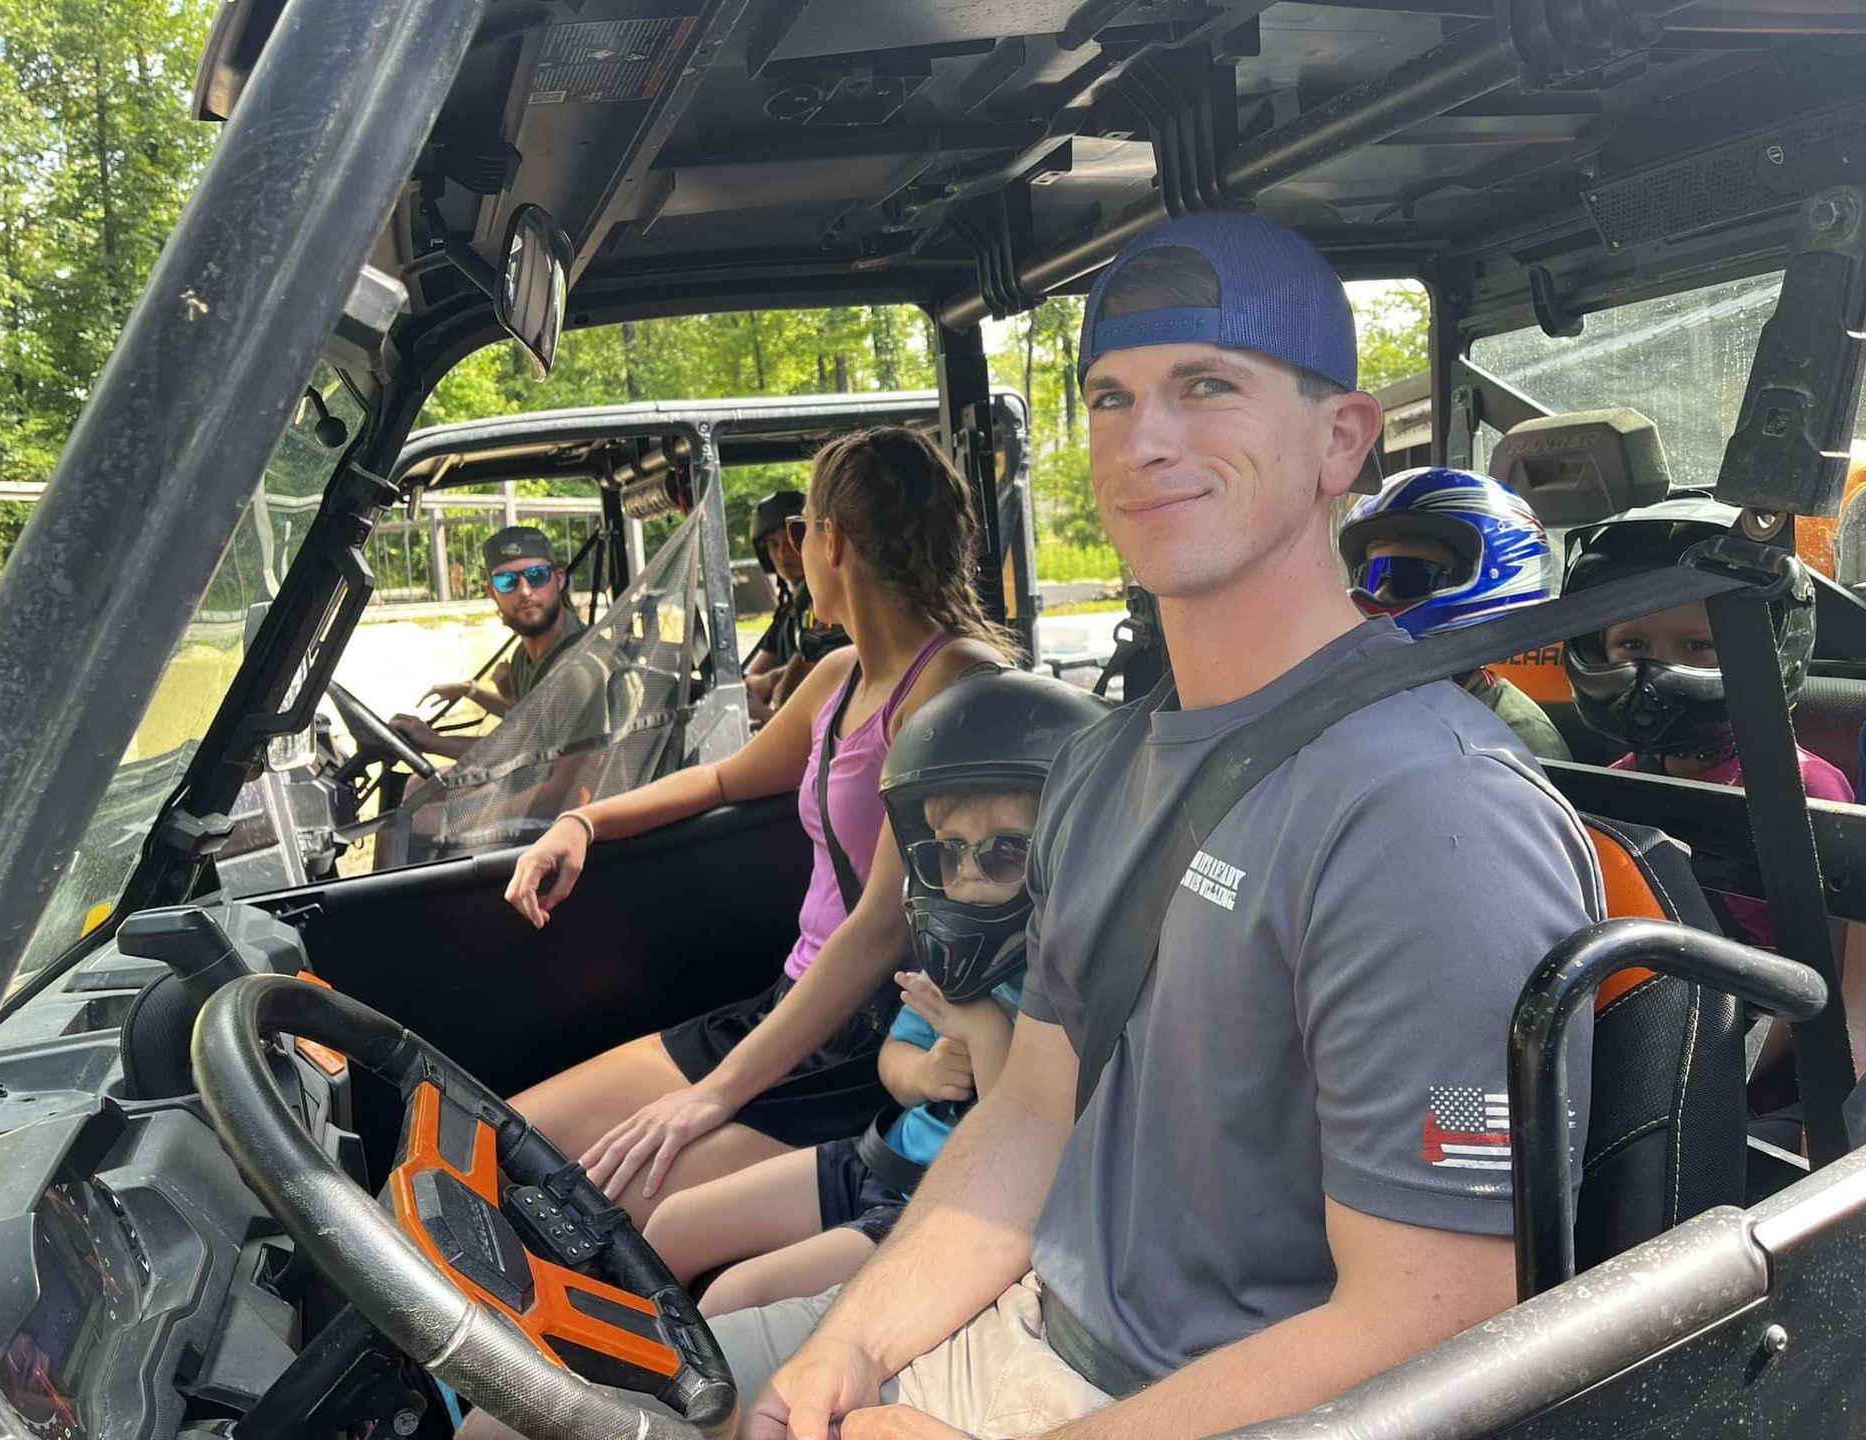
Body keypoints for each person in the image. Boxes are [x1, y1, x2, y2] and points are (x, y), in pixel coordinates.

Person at [708, 212, 1599, 1440]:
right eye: (1111, 399)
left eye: (1207, 386)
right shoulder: (1101, 765)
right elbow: (1034, 1110)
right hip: (1022, 1321)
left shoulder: (1430, 820)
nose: (1145, 439)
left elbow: (1434, 1322)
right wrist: (852, 1344)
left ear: (1342, 440)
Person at [501, 427, 1006, 1226]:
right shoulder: (839, 675)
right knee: (505, 1139)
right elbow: (724, 778)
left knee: (574, 1214)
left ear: (830, 543)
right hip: (789, 1003)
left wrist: (711, 1096)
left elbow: (881, 928)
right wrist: (581, 822)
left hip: (873, 1040)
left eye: (802, 531)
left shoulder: (954, 687)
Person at [641, 669, 1106, 1315]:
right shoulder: (952, 958)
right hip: (881, 1155)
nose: (968, 875)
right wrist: (923, 1075)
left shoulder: (1068, 984)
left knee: (737, 1293)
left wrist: (985, 1034)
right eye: (948, 852)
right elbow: (896, 1054)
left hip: (949, 1205)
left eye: (1003, 853)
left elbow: (1021, 1140)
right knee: (672, 1224)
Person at [1560, 492, 1848, 948]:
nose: (1655, 671)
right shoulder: (1619, 784)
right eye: (1633, 645)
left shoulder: (1807, 790)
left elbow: (1843, 956)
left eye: (1697, 646)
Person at [1339, 466, 1571, 761]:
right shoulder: (1362, 705)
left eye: (1412, 575)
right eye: (1370, 576)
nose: (1380, 595)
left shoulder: (1518, 740)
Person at [389, 525, 586, 762]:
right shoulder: (525, 655)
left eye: (537, 576)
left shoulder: (580, 666)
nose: (524, 591)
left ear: (559, 580)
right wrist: (469, 691)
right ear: (492, 592)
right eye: (507, 581)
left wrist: (434, 742)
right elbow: (525, 723)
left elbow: (532, 752)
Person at [747, 492, 849, 723]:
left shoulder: (824, 613)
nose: (783, 553)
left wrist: (769, 698)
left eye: (793, 540)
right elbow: (751, 680)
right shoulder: (788, 612)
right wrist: (771, 679)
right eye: (774, 544)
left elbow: (785, 695)